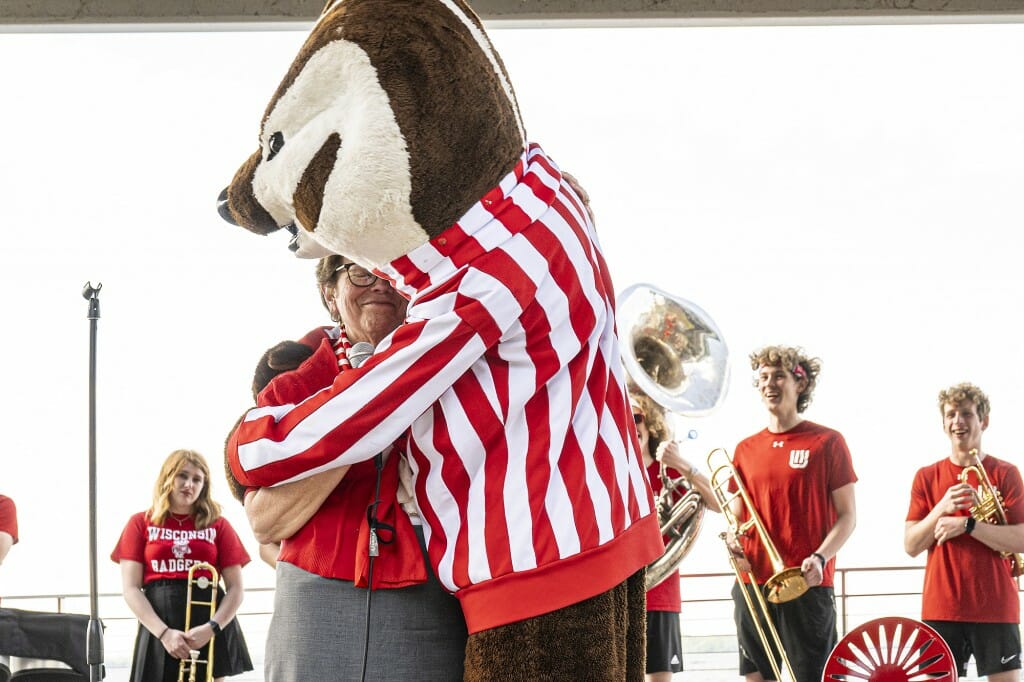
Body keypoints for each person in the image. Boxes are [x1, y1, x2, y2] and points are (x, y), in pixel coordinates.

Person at [242, 254, 467, 680]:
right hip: (314, 593)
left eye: (392, 274)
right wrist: (364, 413)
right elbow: (263, 522)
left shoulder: (456, 373)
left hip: (430, 590)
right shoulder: (292, 387)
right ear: (330, 292)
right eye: (361, 272)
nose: (380, 284)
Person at [727, 345, 857, 682]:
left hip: (806, 581)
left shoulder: (827, 441)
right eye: (764, 377)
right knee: (757, 677)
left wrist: (821, 557)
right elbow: (738, 518)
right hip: (753, 583)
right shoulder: (744, 448)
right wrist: (731, 539)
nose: (769, 383)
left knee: (813, 677)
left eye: (779, 376)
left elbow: (848, 517)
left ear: (800, 384)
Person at [904, 382, 1024, 681]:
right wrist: (941, 507)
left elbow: (1022, 538)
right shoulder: (926, 476)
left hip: (996, 607)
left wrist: (968, 526)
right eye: (951, 414)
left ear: (983, 421)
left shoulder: (1006, 473)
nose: (958, 421)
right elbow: (910, 544)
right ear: (943, 423)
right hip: (942, 607)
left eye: (967, 414)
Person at [111, 449, 253, 682]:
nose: (189, 484)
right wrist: (164, 634)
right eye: (182, 476)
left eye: (197, 479)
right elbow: (131, 589)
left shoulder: (219, 524)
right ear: (168, 478)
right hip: (159, 623)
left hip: (208, 622)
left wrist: (211, 628)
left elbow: (236, 589)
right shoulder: (139, 522)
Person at [630, 392, 720, 682]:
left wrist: (681, 463)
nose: (632, 426)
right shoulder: (612, 475)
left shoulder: (667, 472)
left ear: (651, 424)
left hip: (659, 595)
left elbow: (718, 503)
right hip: (620, 595)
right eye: (624, 419)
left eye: (638, 418)